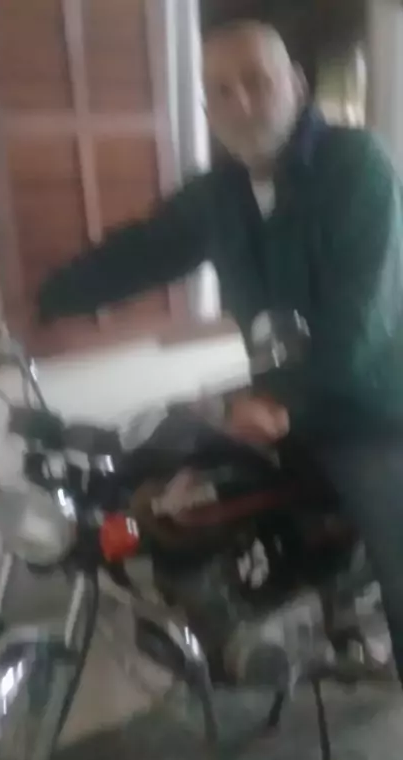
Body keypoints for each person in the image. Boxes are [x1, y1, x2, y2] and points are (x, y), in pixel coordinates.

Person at [38, 19, 403, 684]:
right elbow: (140, 251)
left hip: (373, 409)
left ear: (296, 85)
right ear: (207, 109)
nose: (240, 102)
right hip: (277, 397)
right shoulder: (219, 194)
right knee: (169, 478)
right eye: (221, 91)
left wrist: (280, 401)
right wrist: (41, 303)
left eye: (257, 82)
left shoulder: (358, 167)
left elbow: (357, 325)